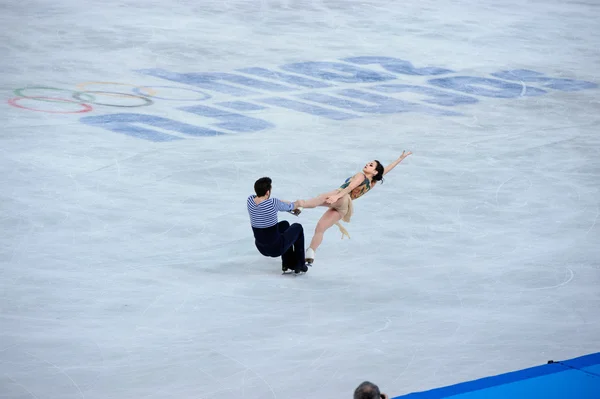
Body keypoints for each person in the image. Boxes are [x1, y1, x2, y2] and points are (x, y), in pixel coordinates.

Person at [299, 151, 412, 265]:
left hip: (342, 197)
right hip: (345, 208)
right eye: (369, 163)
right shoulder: (371, 183)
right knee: (320, 228)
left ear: (374, 172)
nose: (367, 164)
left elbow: (350, 187)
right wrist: (400, 159)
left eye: (371, 165)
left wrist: (336, 196)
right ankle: (310, 253)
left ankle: (298, 207)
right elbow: (385, 171)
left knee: (319, 199)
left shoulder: (361, 176)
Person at [247, 177, 308, 274]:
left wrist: (281, 202)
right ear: (267, 192)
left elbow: (264, 200)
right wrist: (299, 203)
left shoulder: (250, 200)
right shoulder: (273, 203)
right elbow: (292, 206)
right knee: (298, 228)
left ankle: (287, 263)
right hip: (275, 248)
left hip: (261, 247)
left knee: (284, 225)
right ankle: (300, 264)